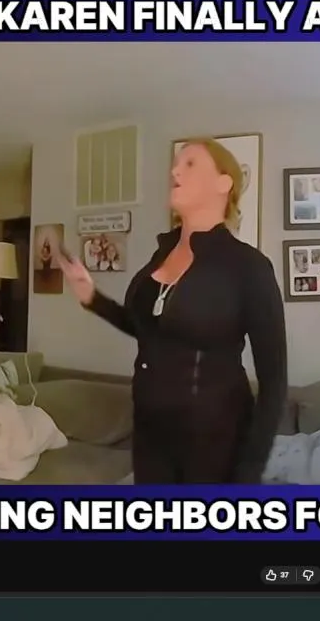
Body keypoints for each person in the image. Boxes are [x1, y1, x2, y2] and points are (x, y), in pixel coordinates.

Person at [56, 139, 287, 483]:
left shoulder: (248, 266)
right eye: (176, 164)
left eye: (190, 163)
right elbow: (149, 329)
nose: (175, 171)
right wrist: (92, 297)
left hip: (215, 439)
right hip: (150, 432)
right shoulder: (161, 255)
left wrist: (248, 475)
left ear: (223, 183)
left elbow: (274, 381)